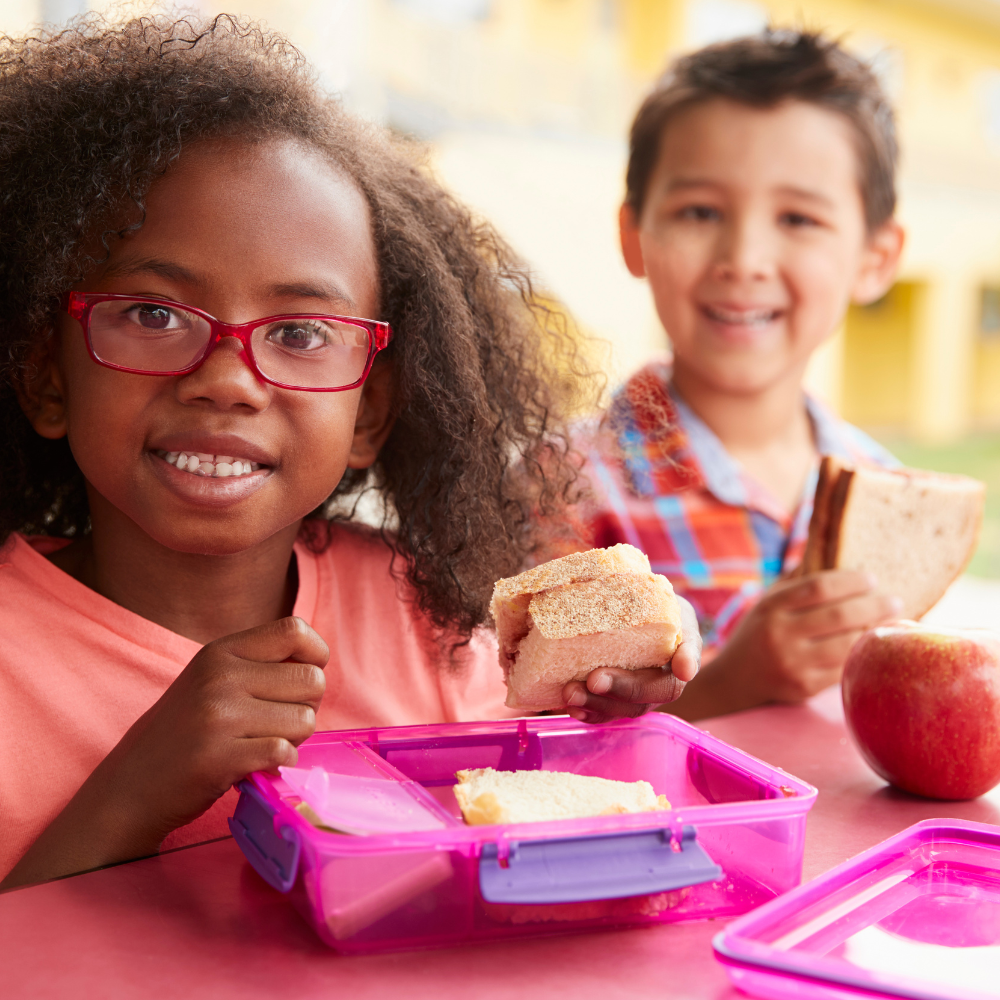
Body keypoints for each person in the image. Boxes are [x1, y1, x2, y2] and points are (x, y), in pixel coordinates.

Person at [0, 14, 699, 887]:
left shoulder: (415, 620)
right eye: (154, 315)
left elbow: (534, 855)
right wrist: (129, 800)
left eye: (299, 331)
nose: (228, 379)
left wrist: (608, 717)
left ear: (369, 410)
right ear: (46, 379)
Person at [565, 31, 905, 722]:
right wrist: (729, 685)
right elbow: (532, 738)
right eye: (700, 212)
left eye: (798, 218)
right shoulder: (561, 488)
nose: (744, 257)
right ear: (635, 236)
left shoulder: (886, 490)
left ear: (875, 257)